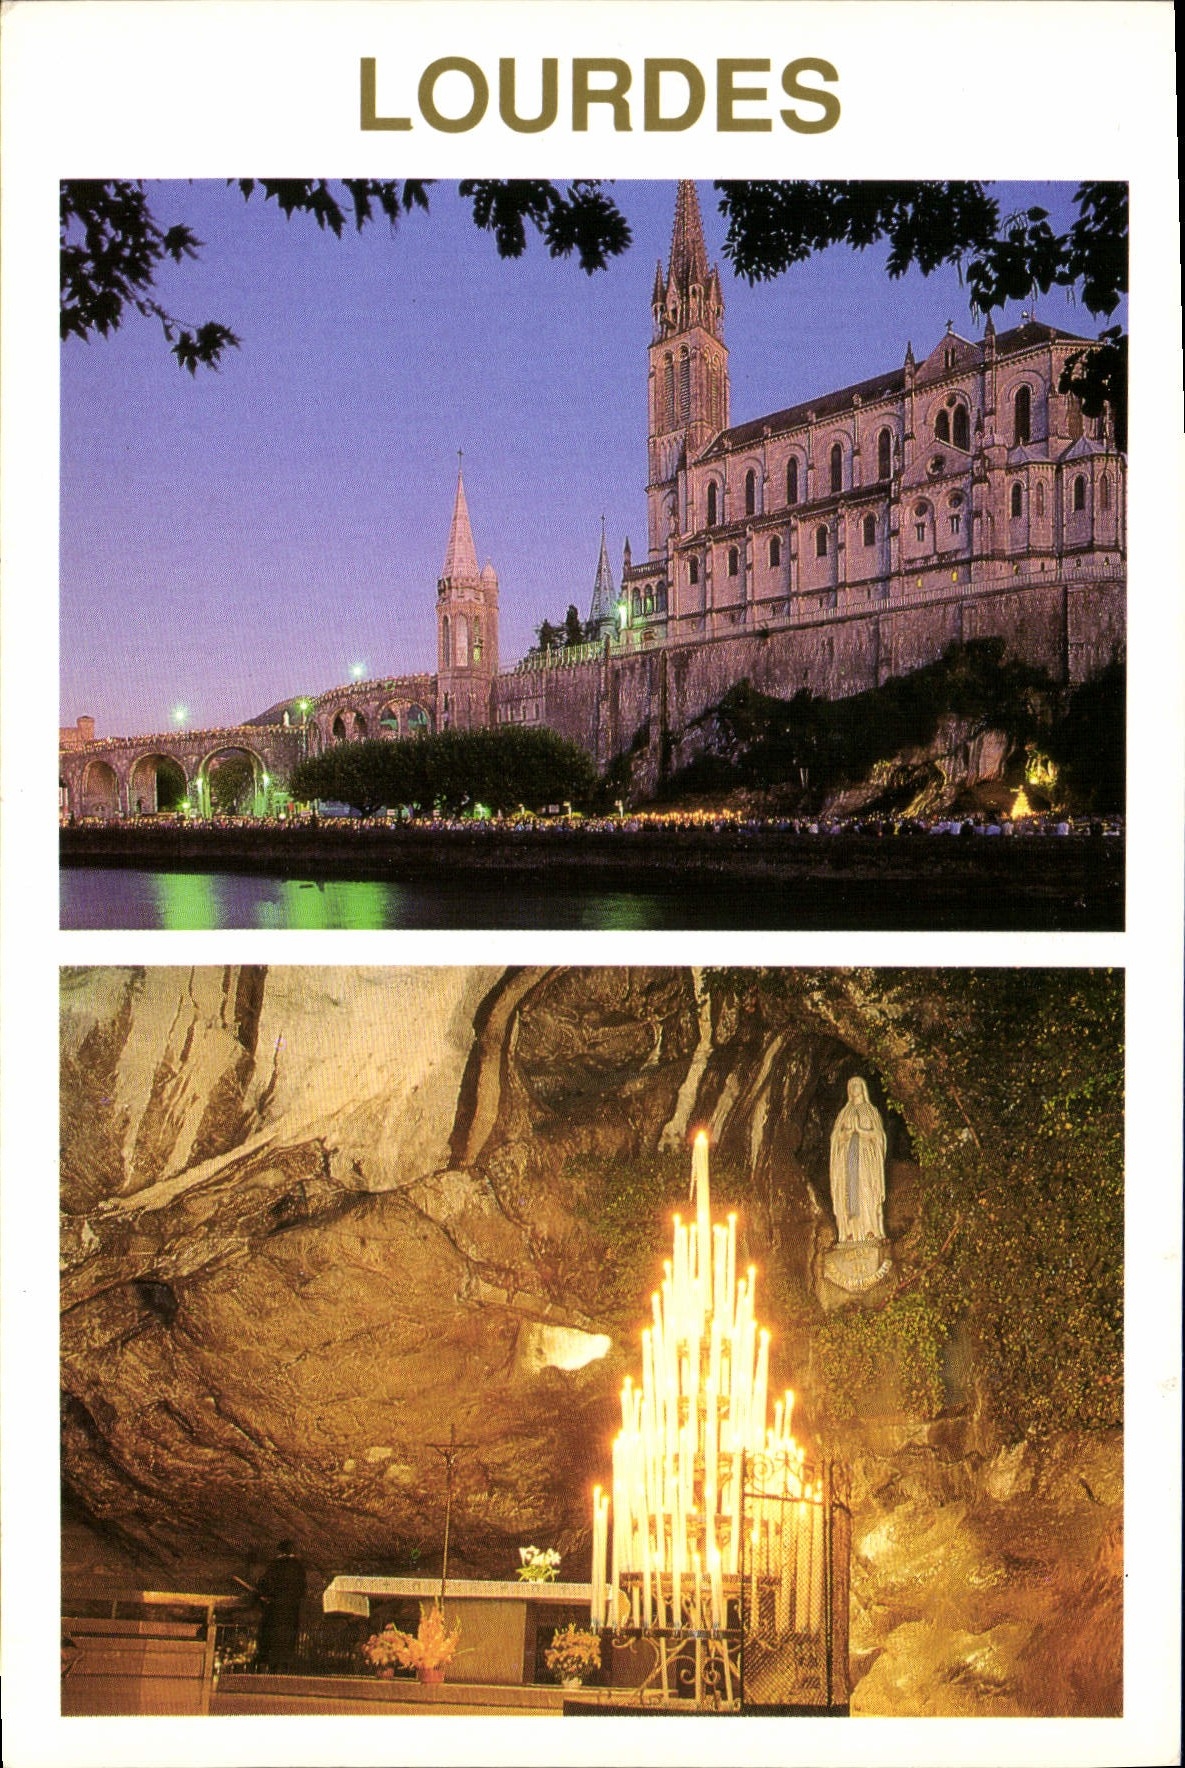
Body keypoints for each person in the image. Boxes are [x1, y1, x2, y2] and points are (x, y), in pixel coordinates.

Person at [829, 1076, 887, 1243]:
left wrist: (860, 1130)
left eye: (857, 1084)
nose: (854, 1087)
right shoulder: (844, 1113)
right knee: (847, 1193)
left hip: (865, 1157)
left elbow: (879, 1136)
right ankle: (850, 1232)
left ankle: (870, 1229)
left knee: (866, 1190)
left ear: (863, 1088)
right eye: (851, 1084)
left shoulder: (870, 1111)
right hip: (847, 1158)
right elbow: (835, 1137)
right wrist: (846, 1134)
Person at [255, 1540, 307, 1673]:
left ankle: (270, 1666)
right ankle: (284, 1666)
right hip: (291, 1610)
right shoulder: (299, 1566)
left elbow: (266, 1583)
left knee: (272, 1636)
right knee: (287, 1638)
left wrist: (264, 1595)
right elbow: (302, 1589)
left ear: (280, 1551)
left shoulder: (276, 1564)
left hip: (275, 1609)